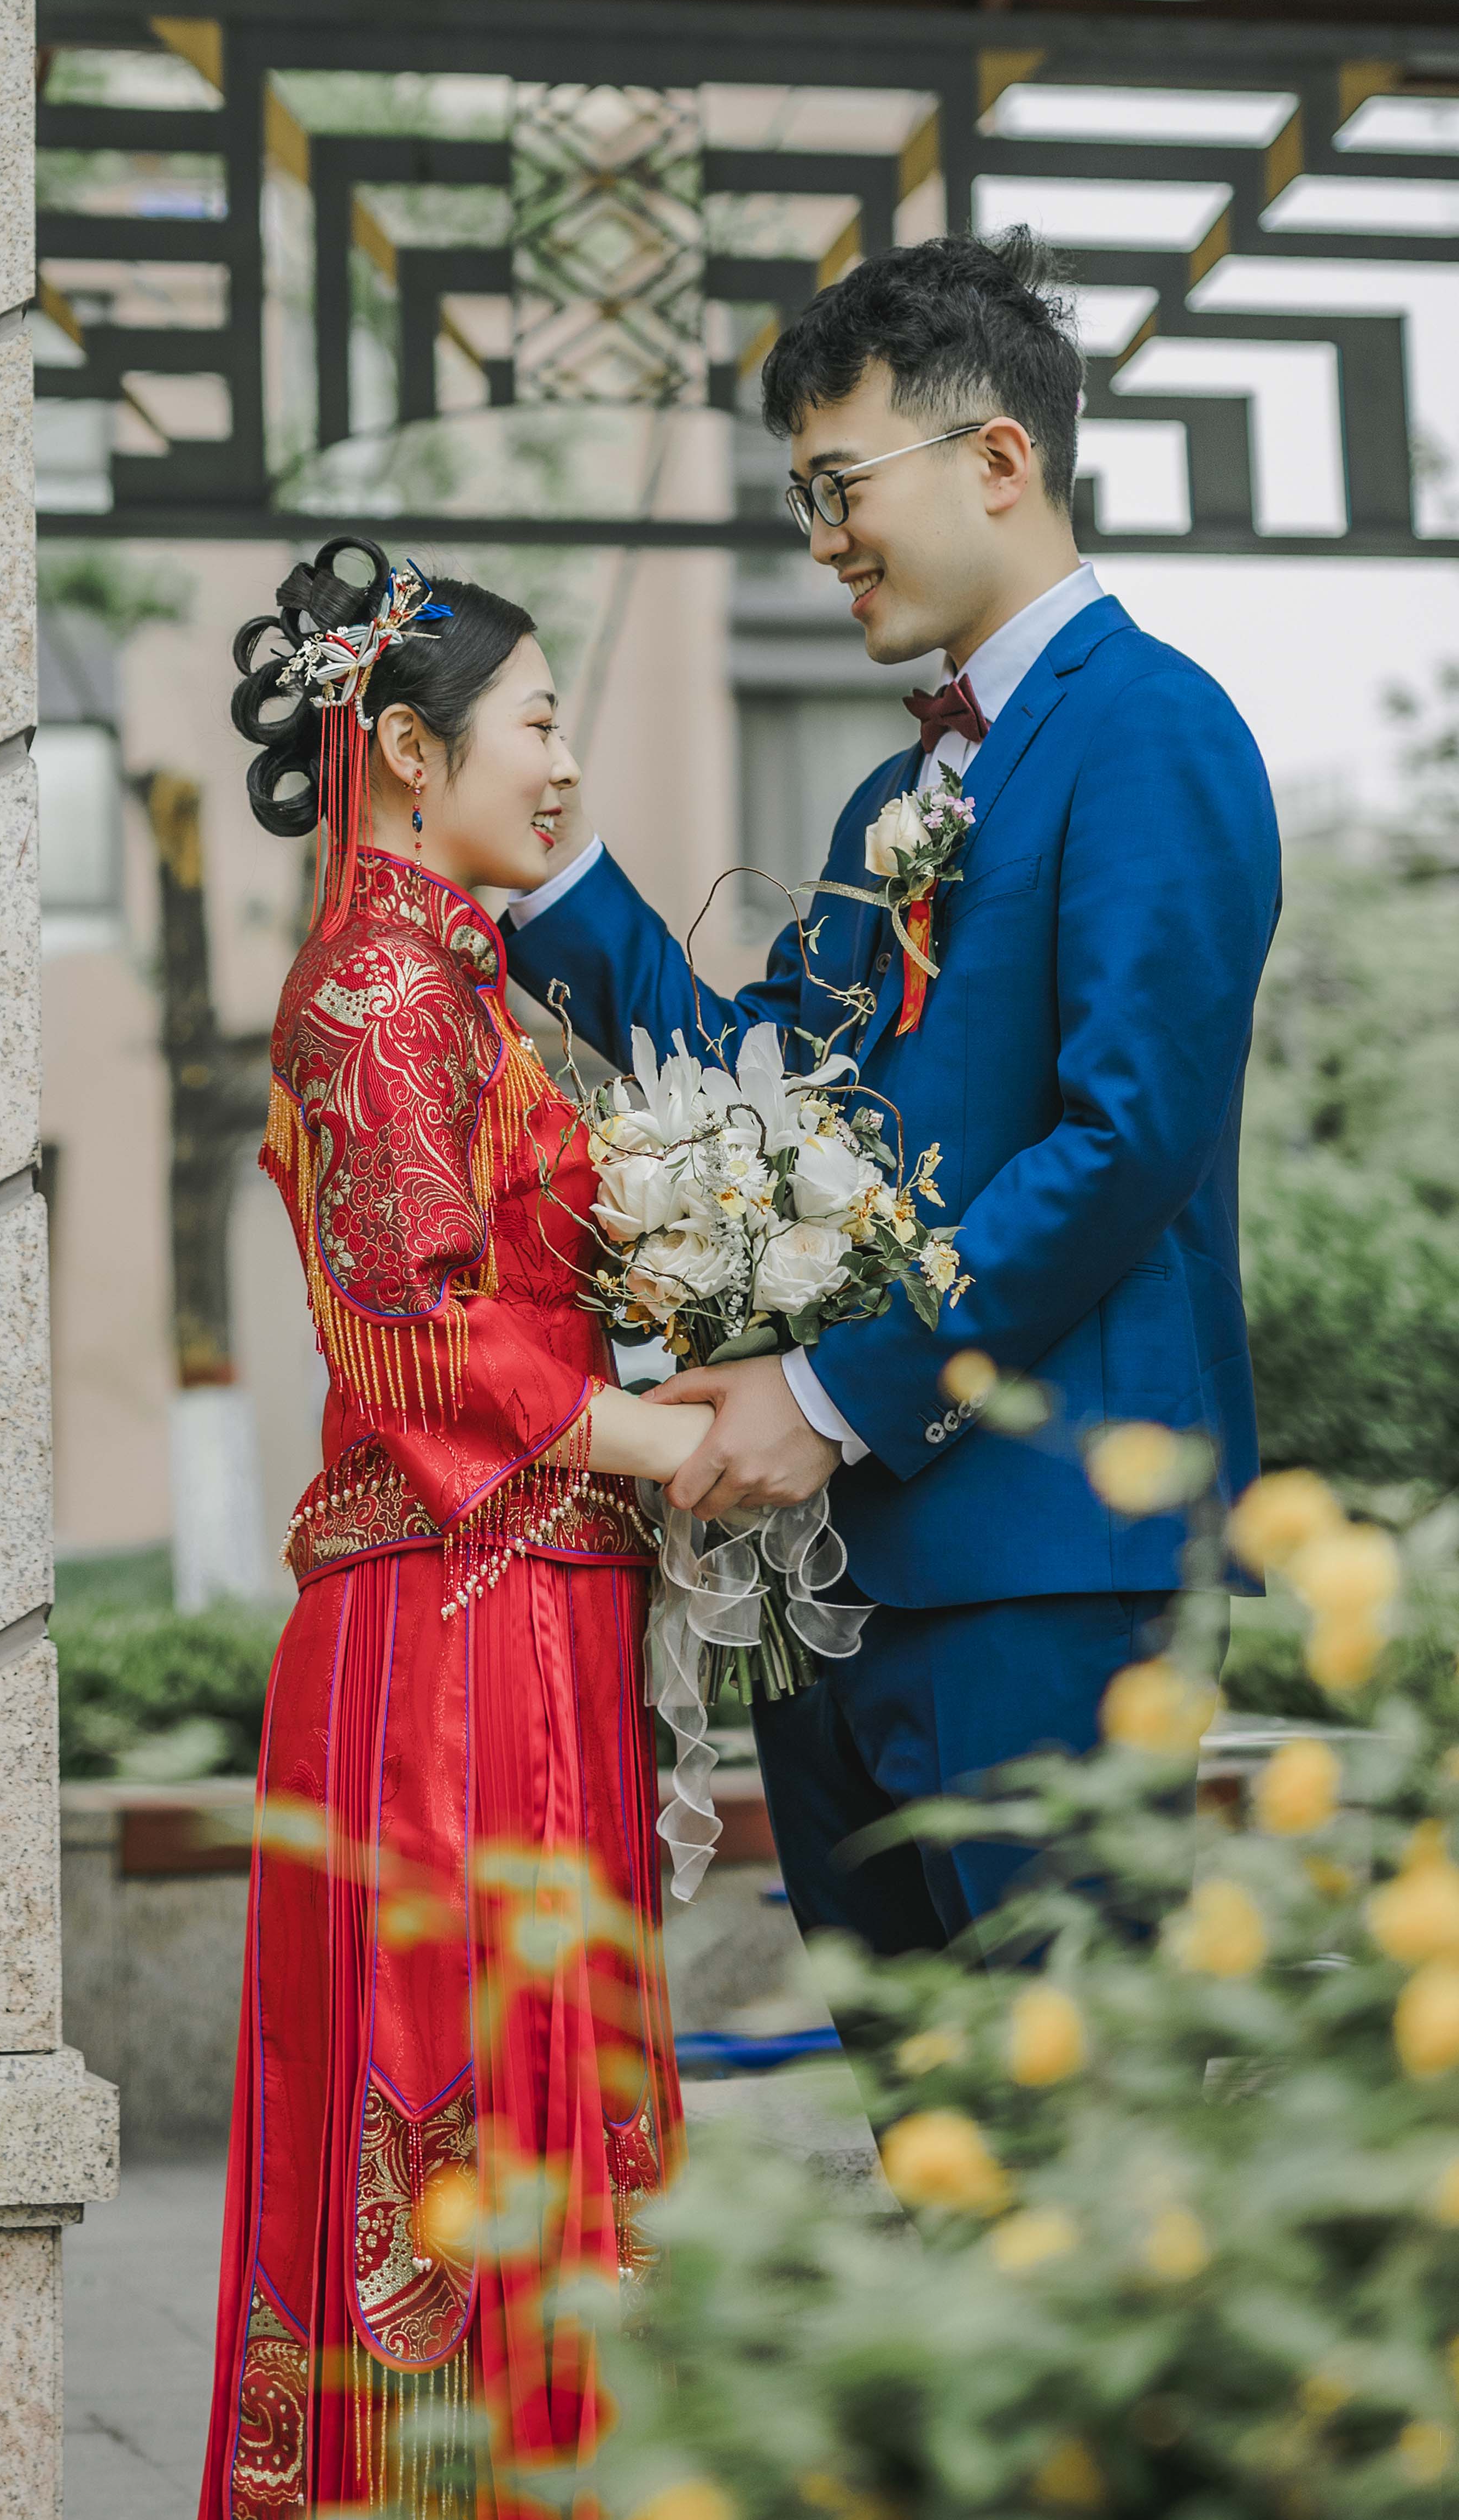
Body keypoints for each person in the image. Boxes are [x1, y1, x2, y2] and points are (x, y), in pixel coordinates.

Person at [504, 228, 1281, 1956]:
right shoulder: (891, 796)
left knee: (1057, 2093)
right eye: (805, 496)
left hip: (1055, 1565)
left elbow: (1126, 1139)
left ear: (997, 458)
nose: (822, 538)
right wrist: (539, 864)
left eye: (839, 484)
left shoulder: (1151, 729)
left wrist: (831, 1393)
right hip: (847, 1583)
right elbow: (762, 1088)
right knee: (918, 2091)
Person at [153, 541, 712, 2520]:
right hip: (443, 1644)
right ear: (404, 750)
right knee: (449, 2120)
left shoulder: (461, 980)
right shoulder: (372, 993)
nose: (564, 760)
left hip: (519, 1614)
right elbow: (417, 1330)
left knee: (535, 2119)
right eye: (537, 721)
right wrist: (652, 1428)